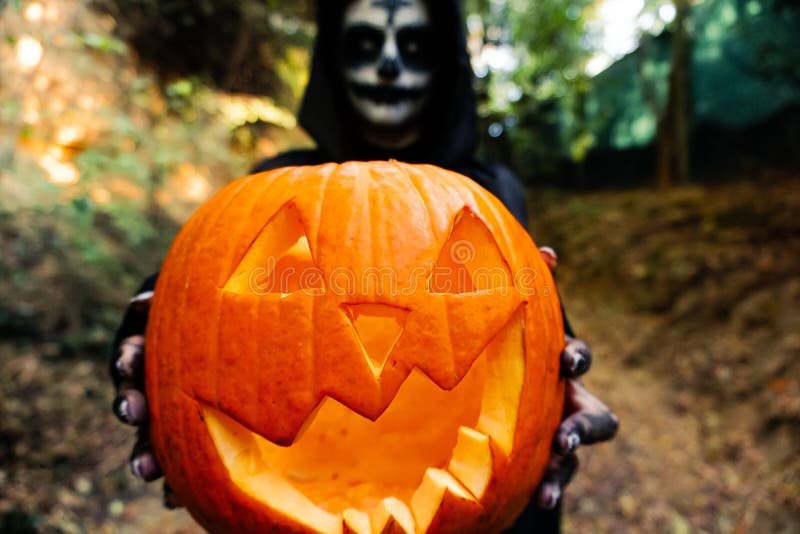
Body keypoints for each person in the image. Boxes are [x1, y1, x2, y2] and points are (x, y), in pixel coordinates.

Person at [111, 0, 618, 531]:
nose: (390, 66)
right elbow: (206, 297)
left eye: (415, 47)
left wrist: (556, 388)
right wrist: (149, 326)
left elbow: (516, 324)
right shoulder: (272, 184)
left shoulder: (489, 192)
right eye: (365, 44)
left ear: (446, 62)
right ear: (331, 59)